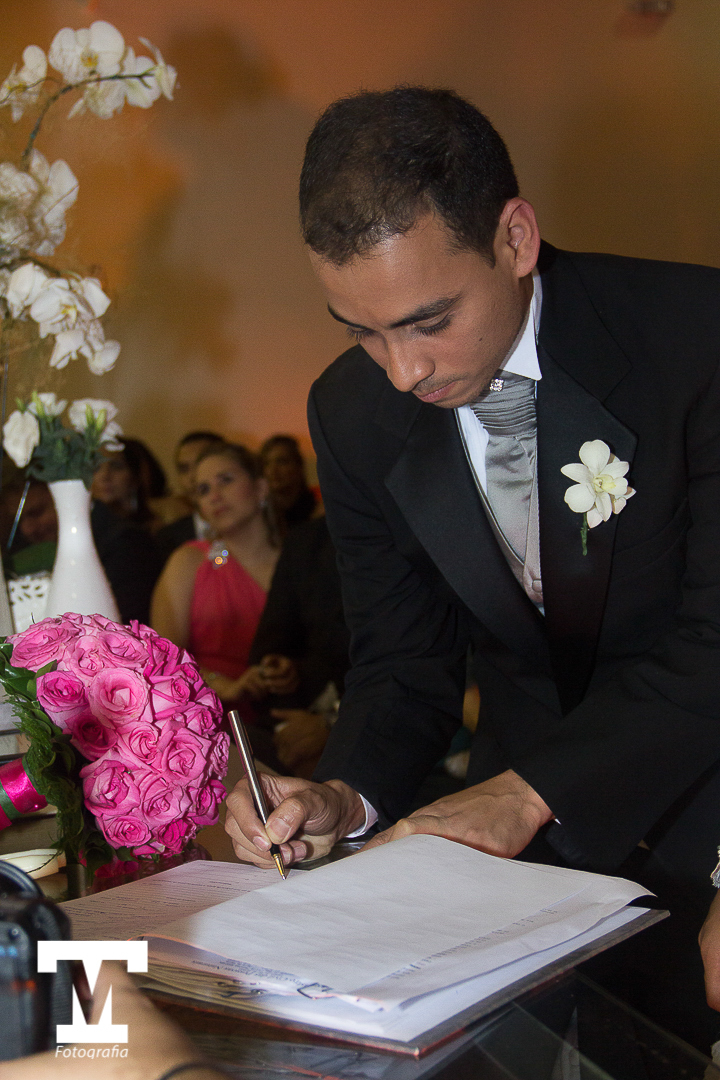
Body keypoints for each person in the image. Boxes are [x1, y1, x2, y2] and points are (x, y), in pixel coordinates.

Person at [225, 87, 720, 1049]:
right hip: (513, 875)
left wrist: (528, 791)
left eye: (428, 320)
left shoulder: (697, 337)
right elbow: (403, 662)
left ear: (517, 237)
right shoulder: (353, 413)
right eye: (359, 330)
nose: (402, 372)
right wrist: (346, 795)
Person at [150, 442, 279, 705]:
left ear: (260, 487)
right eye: (203, 490)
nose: (214, 496)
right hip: (207, 713)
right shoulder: (190, 562)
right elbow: (163, 659)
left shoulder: (297, 562)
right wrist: (221, 685)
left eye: (226, 481)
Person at [248, 514, 351, 776]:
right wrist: (280, 670)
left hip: (371, 715)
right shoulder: (305, 541)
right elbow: (272, 643)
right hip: (304, 703)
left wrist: (334, 723)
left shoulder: (405, 528)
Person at [155, 431, 225, 564]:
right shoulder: (166, 539)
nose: (192, 477)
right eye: (184, 469)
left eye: (200, 464)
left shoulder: (254, 530)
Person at [259, 434, 318, 535]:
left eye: (282, 462)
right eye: (267, 463)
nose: (273, 470)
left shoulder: (318, 510)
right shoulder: (259, 516)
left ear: (298, 466)